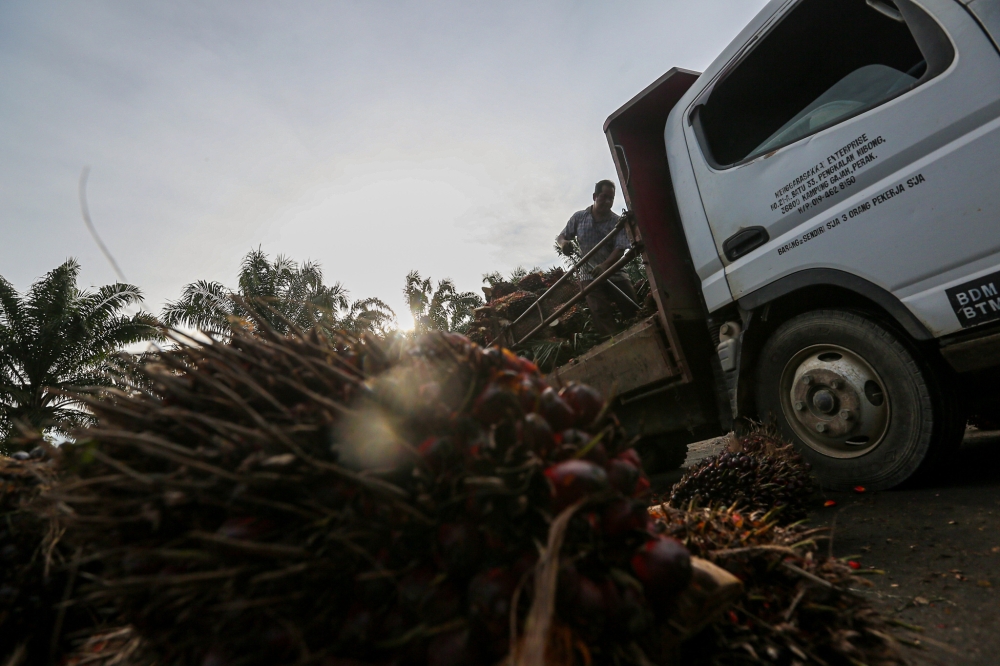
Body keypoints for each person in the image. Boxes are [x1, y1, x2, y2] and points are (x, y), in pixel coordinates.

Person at [556, 180, 639, 336]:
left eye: (611, 198)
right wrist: (564, 244)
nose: (608, 201)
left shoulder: (617, 222)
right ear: (595, 196)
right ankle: (613, 342)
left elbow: (620, 248)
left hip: (615, 272)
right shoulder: (579, 217)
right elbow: (561, 236)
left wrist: (605, 266)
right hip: (589, 275)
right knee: (600, 313)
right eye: (604, 196)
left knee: (632, 308)